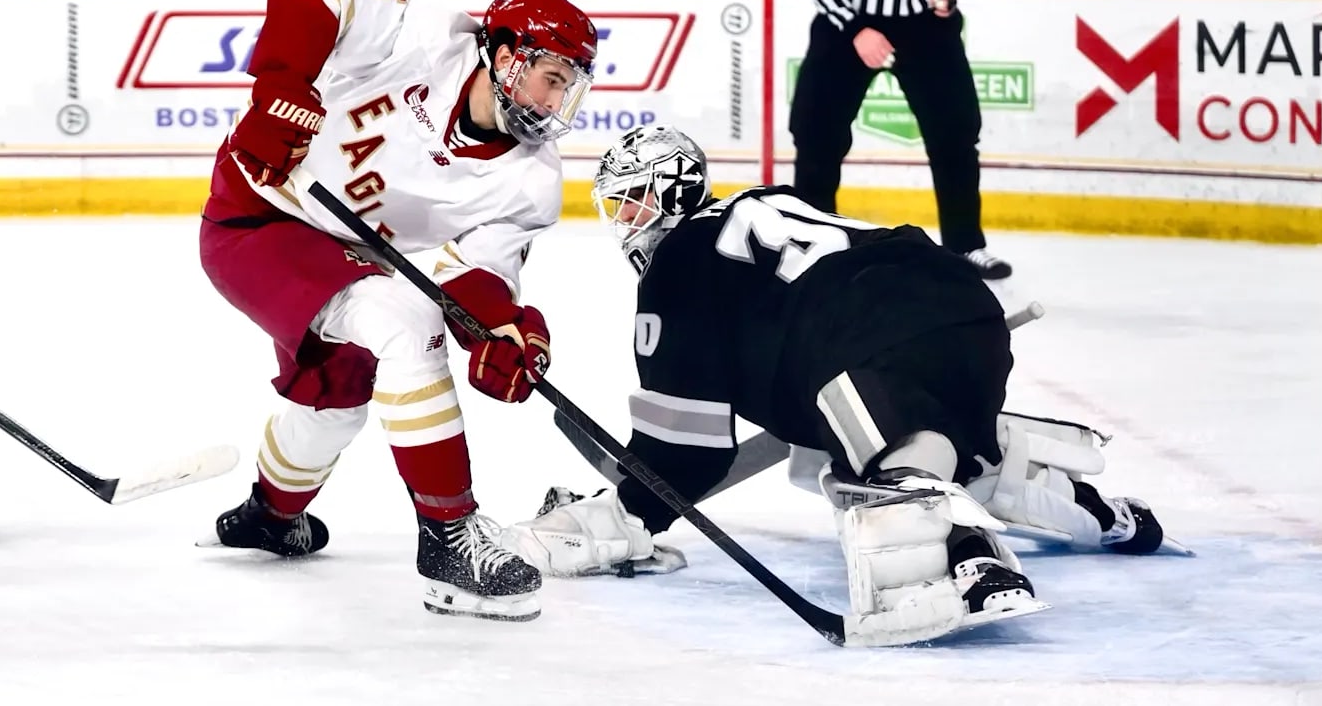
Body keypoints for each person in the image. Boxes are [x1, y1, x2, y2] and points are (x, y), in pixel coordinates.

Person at [499, 125, 1166, 643]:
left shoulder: (677, 264)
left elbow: (688, 450)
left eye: (628, 202)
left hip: (868, 336)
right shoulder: (763, 211)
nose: (625, 223)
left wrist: (622, 513)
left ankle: (975, 563)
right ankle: (1106, 516)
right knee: (921, 448)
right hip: (965, 306)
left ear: (669, 191)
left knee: (879, 480)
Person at [198, 0, 598, 623]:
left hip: (339, 256)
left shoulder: (531, 183)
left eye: (569, 89)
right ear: (504, 54)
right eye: (552, 79)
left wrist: (501, 331)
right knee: (408, 324)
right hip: (258, 214)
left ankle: (268, 517)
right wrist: (280, 85)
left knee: (334, 403)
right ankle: (449, 540)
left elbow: (479, 280)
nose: (558, 104)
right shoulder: (430, 34)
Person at [789, 0, 1011, 280]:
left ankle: (965, 245)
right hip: (848, 23)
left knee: (956, 133)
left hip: (923, 23)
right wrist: (854, 26)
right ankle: (813, 246)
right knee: (816, 134)